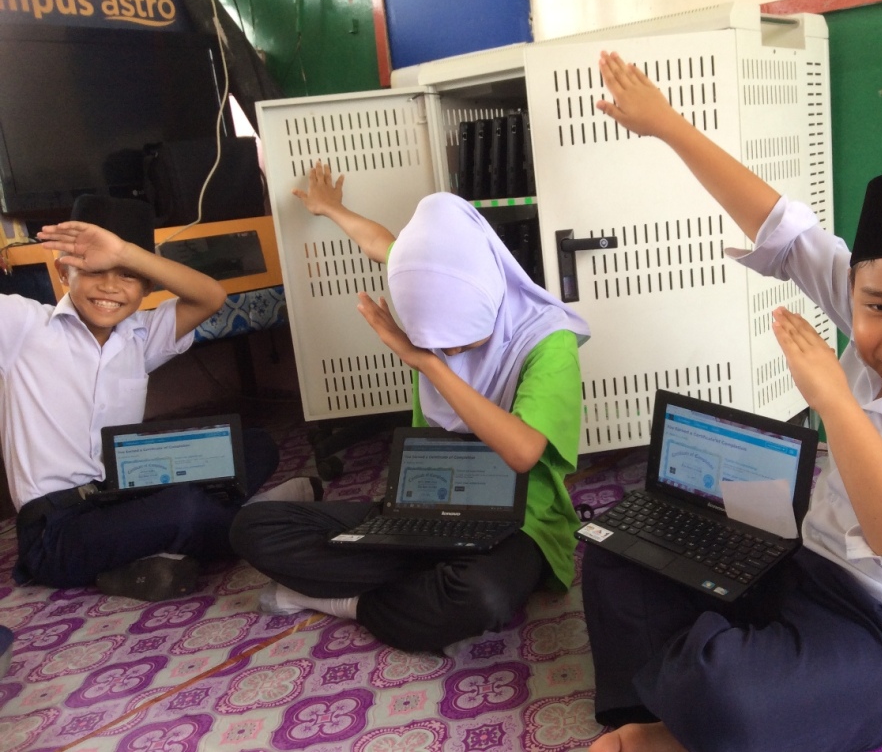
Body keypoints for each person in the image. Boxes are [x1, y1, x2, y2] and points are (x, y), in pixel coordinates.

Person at [581, 52, 882, 752]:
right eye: (876, 306)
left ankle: (696, 709)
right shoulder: (871, 303)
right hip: (812, 567)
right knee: (618, 549)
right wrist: (668, 125)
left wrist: (836, 403)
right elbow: (786, 233)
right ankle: (671, 707)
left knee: (733, 698)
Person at [230, 162, 590, 652]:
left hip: (518, 517)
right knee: (253, 528)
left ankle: (345, 601)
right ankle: (416, 575)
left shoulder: (549, 342)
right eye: (437, 343)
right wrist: (331, 209)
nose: (452, 352)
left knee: (482, 596)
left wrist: (427, 363)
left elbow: (523, 452)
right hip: (426, 501)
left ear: (488, 292)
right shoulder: (430, 278)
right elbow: (383, 244)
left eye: (464, 341)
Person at [5, 195, 320, 604]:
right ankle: (254, 520)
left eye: (128, 274)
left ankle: (149, 552)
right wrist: (124, 259)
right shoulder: (25, 327)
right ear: (64, 271)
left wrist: (124, 251)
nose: (110, 287)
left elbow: (210, 296)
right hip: (57, 527)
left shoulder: (140, 335)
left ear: (147, 285)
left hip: (124, 493)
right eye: (94, 271)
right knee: (184, 508)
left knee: (253, 446)